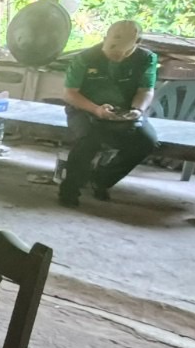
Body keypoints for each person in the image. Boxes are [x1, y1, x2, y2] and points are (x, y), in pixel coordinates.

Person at [58, 19, 159, 208]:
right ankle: (70, 190)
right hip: (84, 108)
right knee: (88, 140)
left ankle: (101, 179)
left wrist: (137, 110)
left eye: (124, 54)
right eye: (112, 52)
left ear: (138, 43)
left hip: (126, 110)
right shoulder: (85, 58)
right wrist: (96, 109)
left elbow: (145, 90)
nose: (117, 58)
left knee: (147, 141)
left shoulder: (147, 59)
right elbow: (70, 93)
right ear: (105, 38)